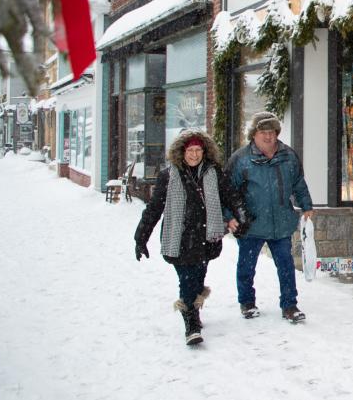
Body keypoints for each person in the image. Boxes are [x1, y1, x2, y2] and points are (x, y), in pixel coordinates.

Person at [134, 130, 248, 346]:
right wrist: (141, 237)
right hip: (179, 238)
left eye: (198, 150)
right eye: (190, 151)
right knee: (187, 280)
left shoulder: (213, 173)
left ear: (204, 151)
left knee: (197, 279)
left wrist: (242, 218)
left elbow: (231, 196)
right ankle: (192, 325)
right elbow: (154, 208)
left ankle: (192, 310)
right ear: (181, 152)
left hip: (206, 237)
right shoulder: (169, 176)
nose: (194, 155)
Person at [226, 111, 314, 323]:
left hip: (281, 222)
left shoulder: (288, 156)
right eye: (263, 132)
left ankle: (289, 305)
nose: (268, 137)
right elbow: (227, 191)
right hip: (251, 224)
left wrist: (306, 205)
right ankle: (247, 302)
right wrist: (229, 216)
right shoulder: (240, 159)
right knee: (246, 266)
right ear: (254, 134)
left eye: (272, 132)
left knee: (286, 265)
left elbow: (298, 183)